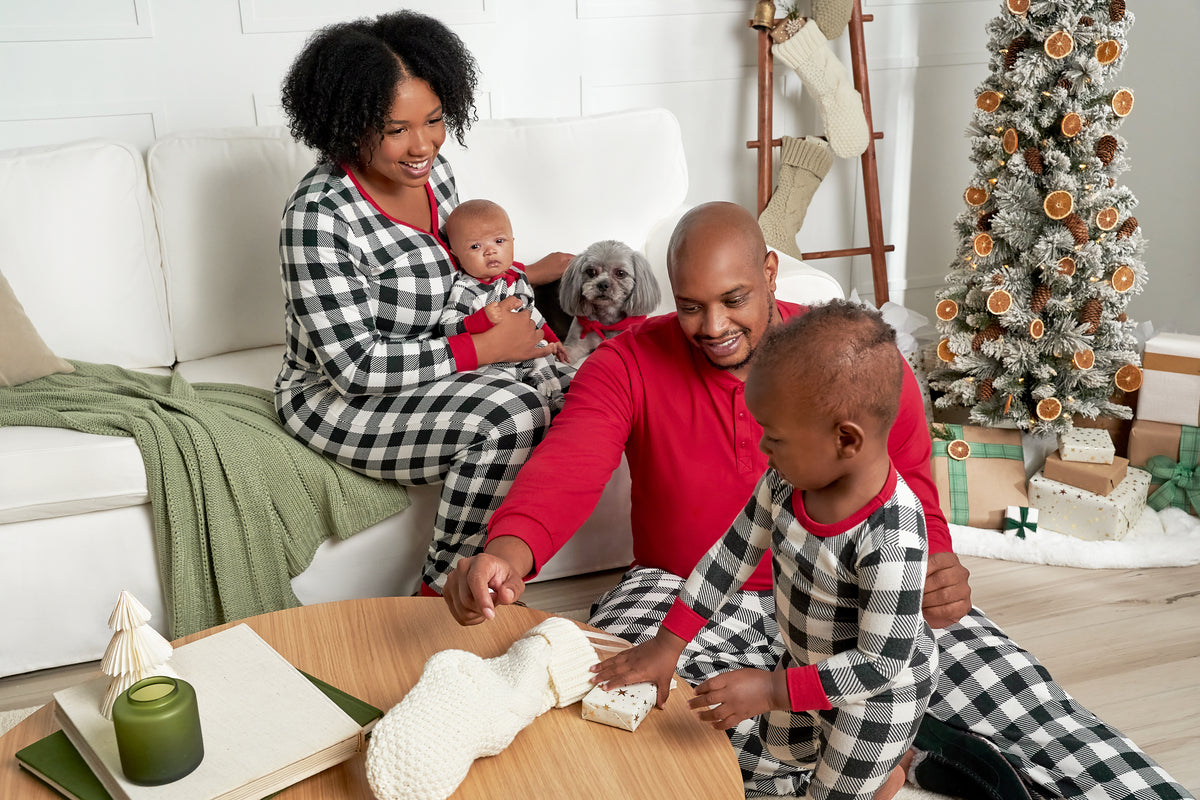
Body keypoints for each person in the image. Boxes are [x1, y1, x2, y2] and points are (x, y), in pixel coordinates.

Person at [444, 202, 1192, 800]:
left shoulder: (856, 363)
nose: (712, 328)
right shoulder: (629, 360)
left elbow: (915, 495)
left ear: (771, 272)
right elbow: (570, 466)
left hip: (861, 596)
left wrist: (939, 564)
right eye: (692, 306)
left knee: (1032, 708)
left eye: (734, 299)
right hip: (682, 591)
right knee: (633, 722)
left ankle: (903, 742)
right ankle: (891, 753)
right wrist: (509, 550)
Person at [273, 10, 572, 595]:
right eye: (395, 129)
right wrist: (483, 348)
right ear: (348, 124)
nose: (422, 145)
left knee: (569, 387)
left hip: (436, 368)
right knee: (510, 414)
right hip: (334, 397)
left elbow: (467, 271)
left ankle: (494, 575)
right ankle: (442, 589)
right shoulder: (318, 217)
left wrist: (522, 298)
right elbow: (353, 367)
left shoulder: (436, 178)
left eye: (434, 120)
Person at [593, 300, 936, 800]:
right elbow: (729, 557)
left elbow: (881, 664)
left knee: (830, 790)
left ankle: (886, 771)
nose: (762, 450)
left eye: (773, 438)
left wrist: (772, 690)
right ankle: (883, 773)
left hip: (873, 701)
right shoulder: (785, 480)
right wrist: (669, 645)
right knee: (777, 759)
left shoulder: (894, 536)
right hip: (801, 659)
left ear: (845, 440)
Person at [440, 199, 574, 412]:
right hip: (492, 362)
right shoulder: (466, 289)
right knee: (504, 389)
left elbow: (531, 315)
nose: (490, 251)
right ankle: (536, 404)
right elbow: (447, 325)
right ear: (455, 253)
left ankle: (555, 400)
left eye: (499, 241)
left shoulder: (517, 277)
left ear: (513, 240)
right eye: (476, 246)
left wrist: (553, 339)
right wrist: (480, 320)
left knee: (547, 363)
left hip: (527, 350)